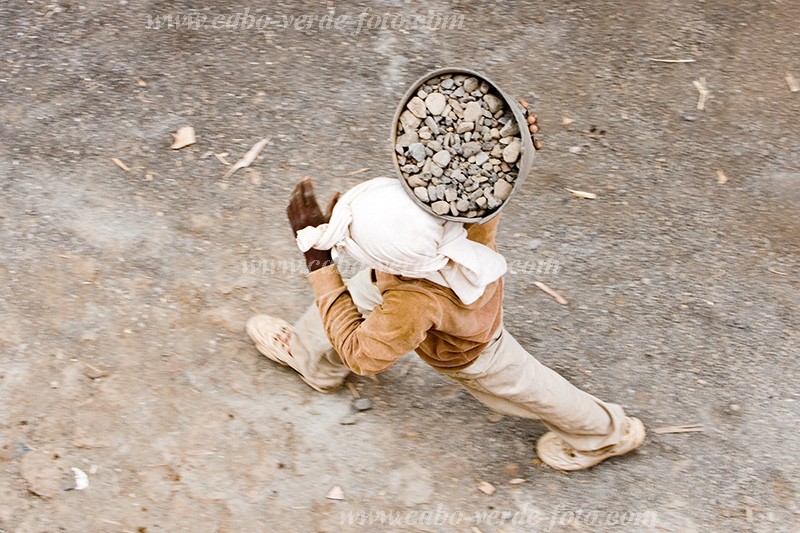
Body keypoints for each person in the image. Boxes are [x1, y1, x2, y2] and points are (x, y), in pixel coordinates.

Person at [246, 109, 644, 472]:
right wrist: (510, 141)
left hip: (471, 348)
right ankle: (312, 359)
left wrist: (319, 262)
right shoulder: (456, 209)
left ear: (391, 262)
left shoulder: (409, 305)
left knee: (531, 387)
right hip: (426, 289)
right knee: (356, 292)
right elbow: (481, 171)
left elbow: (362, 356)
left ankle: (606, 435)